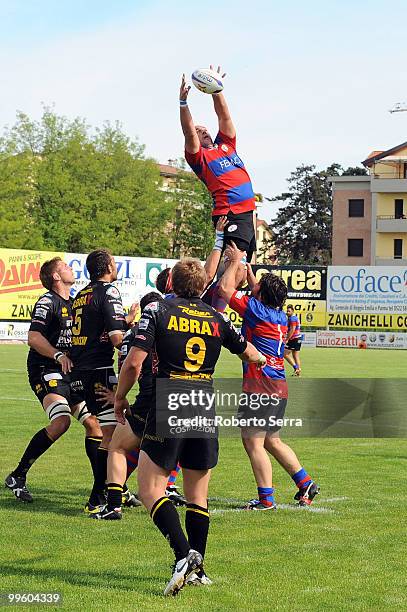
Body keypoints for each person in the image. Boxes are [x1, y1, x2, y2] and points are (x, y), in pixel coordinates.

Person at [113, 258, 267, 596]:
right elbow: (249, 353)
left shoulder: (158, 311)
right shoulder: (216, 316)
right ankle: (199, 571)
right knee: (199, 496)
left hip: (169, 399)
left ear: (171, 283)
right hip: (203, 403)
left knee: (150, 489)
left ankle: (184, 556)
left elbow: (134, 362)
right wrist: (261, 359)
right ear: (201, 287)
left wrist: (120, 397)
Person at [217, 242, 319, 510]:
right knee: (272, 440)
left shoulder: (255, 310)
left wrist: (235, 260)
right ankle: (305, 482)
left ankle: (266, 500)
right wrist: (251, 275)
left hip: (260, 386)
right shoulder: (279, 316)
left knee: (253, 441)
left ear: (260, 295)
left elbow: (226, 290)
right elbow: (257, 294)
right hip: (278, 384)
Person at [5, 258, 102, 502]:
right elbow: (34, 337)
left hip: (70, 372)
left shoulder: (76, 302)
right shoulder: (47, 301)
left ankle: (104, 486)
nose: (71, 269)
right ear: (56, 277)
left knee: (95, 425)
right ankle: (18, 474)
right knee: (61, 422)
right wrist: (58, 355)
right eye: (66, 267)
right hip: (45, 368)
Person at [70, 249, 137, 513]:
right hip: (99, 370)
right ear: (108, 266)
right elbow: (117, 339)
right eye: (114, 262)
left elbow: (99, 329)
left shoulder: (80, 296)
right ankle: (99, 497)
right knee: (113, 436)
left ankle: (108, 493)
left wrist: (127, 321)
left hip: (81, 372)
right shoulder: (109, 291)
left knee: (107, 433)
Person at [179, 67, 257, 263]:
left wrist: (216, 90)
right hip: (230, 214)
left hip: (247, 213)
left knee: (244, 268)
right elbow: (188, 132)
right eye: (199, 130)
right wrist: (183, 103)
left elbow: (224, 116)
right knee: (232, 268)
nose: (203, 131)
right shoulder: (199, 158)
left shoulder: (226, 144)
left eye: (205, 129)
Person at [284, 304, 302, 376]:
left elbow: (292, 329)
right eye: (287, 311)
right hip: (298, 338)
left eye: (289, 311)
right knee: (295, 355)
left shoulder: (292, 318)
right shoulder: (295, 318)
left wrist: (287, 339)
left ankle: (296, 368)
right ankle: (298, 371)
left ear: (292, 311)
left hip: (294, 338)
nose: (287, 312)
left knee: (284, 353)